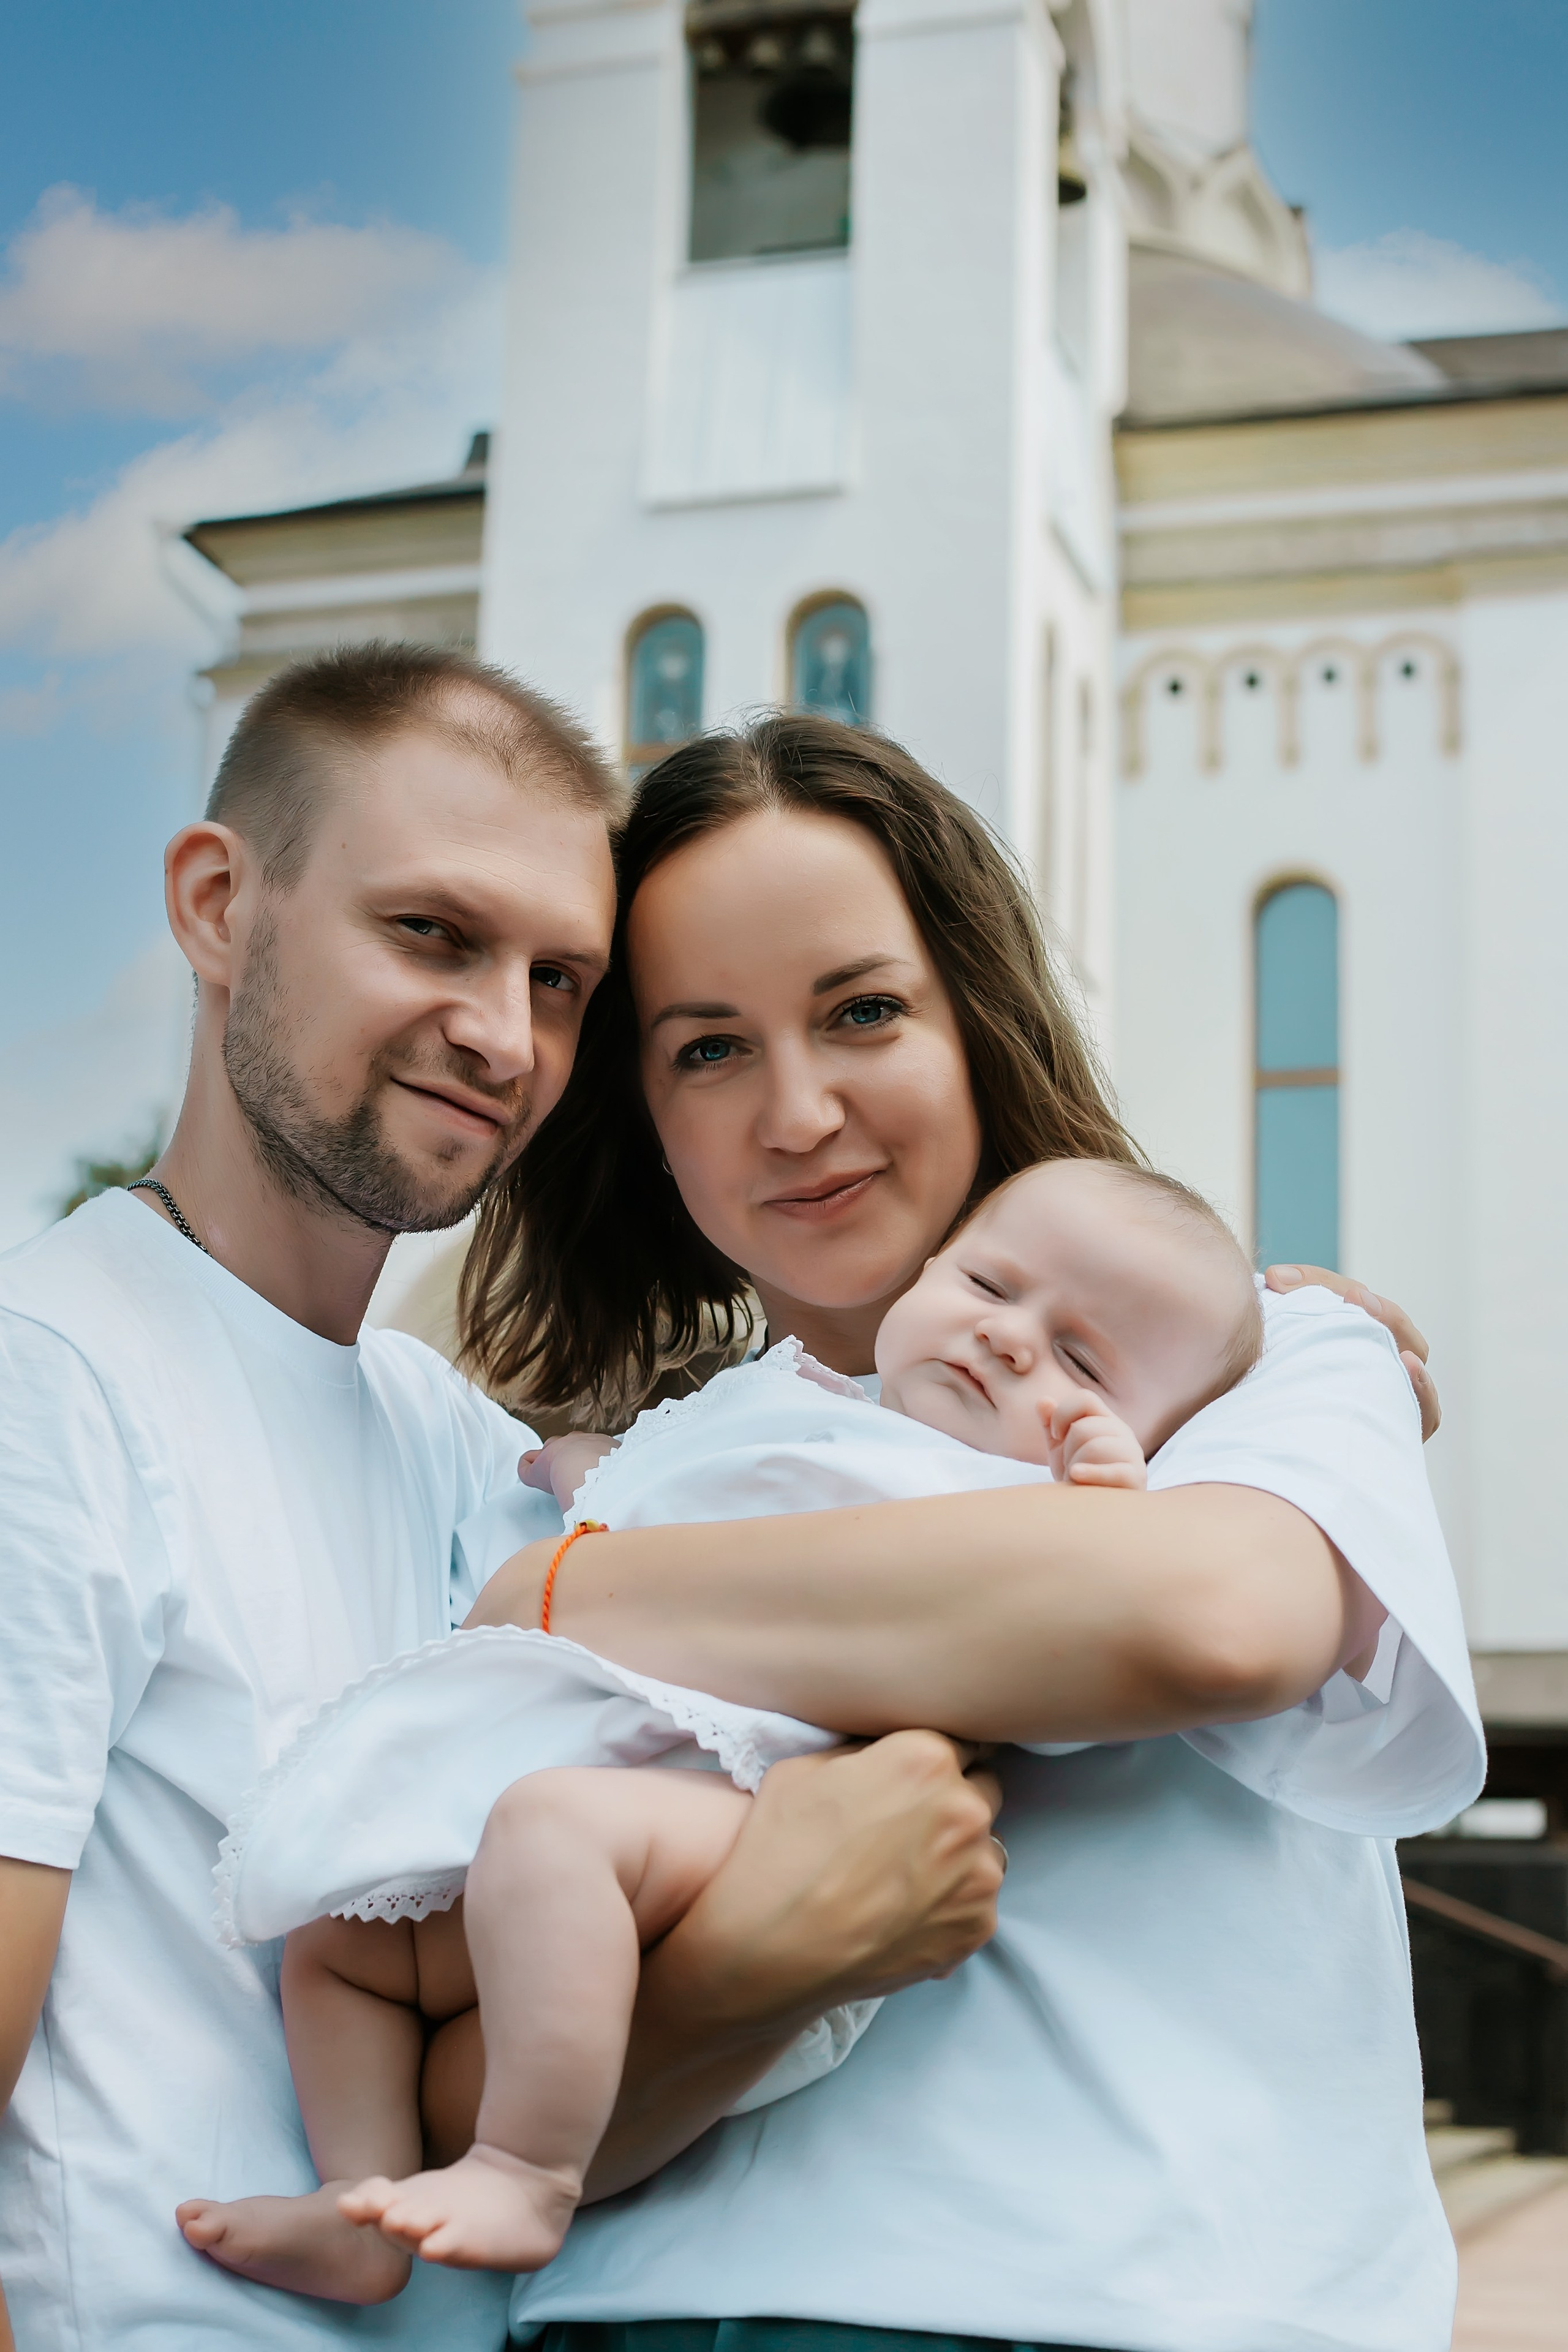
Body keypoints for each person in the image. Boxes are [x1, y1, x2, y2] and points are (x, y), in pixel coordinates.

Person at [0, 657, 1003, 2352]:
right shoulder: (53, 1382)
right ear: (218, 906)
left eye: (559, 978)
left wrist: (1228, 1337)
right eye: (431, 935)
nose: (500, 1032)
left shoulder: (469, 1453)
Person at [445, 715, 1478, 2352]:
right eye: (708, 1047)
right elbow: (461, 2082)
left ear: (971, 1018)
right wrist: (748, 1962)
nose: (798, 1113)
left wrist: (577, 1593)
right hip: (653, 2316)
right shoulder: (632, 1467)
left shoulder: (1252, 1352)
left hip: (1151, 2311)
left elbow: (1211, 1620)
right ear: (636, 1108)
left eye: (862, 1012)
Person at [183, 1156, 1266, 2297]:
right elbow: (688, 1500)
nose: (1008, 1340)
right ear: (930, 1269)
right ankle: (356, 2212)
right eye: (992, 1288)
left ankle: (524, 2170)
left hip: (752, 1812)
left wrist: (1100, 1508)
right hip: (587, 1791)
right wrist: (599, 1470)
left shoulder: (1015, 1503)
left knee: (551, 1830)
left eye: (1082, 1361)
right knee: (340, 1938)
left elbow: (1076, 1675)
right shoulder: (792, 1401)